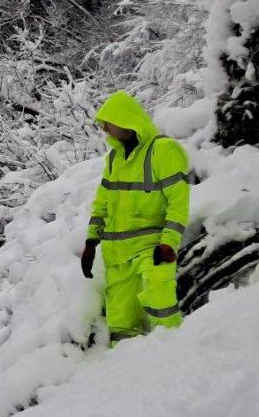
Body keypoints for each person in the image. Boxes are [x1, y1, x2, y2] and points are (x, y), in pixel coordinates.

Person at [80, 91, 189, 343]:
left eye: (108, 121)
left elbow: (178, 201)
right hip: (117, 256)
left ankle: (178, 353)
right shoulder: (115, 159)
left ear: (125, 119)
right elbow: (103, 202)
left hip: (151, 250)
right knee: (121, 325)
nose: (104, 128)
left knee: (161, 304)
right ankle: (125, 375)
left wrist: (168, 243)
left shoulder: (163, 150)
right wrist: (90, 242)